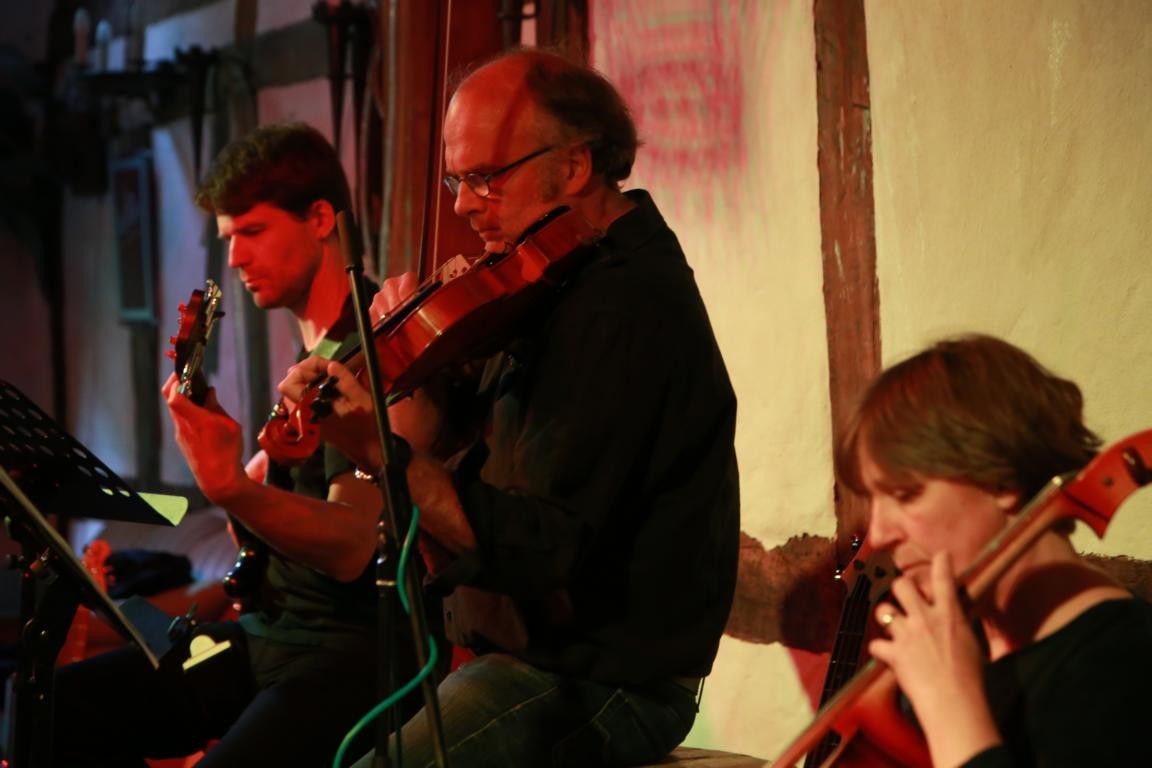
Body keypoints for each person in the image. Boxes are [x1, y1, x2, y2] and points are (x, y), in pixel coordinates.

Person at [280, 48, 740, 767]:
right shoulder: (550, 281)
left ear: (575, 167)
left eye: (485, 179)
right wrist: (418, 381)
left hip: (604, 681)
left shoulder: (621, 307)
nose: (464, 206)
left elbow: (537, 549)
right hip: (531, 659)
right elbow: (459, 460)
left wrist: (378, 449)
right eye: (456, 180)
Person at [51, 121, 428, 766]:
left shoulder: (377, 348)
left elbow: (351, 544)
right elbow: (255, 534)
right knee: (57, 708)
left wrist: (226, 484)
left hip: (347, 657)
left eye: (252, 232)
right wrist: (230, 465)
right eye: (229, 238)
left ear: (318, 218)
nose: (234, 257)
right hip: (269, 640)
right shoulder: (306, 359)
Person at [834, 334, 1152, 767]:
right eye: (871, 502)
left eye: (905, 494)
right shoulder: (955, 639)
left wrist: (952, 709)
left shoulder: (1124, 664)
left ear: (1001, 479)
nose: (879, 533)